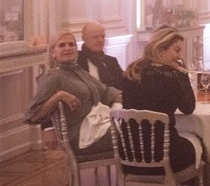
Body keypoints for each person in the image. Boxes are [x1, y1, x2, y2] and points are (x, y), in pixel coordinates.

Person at [24, 30, 122, 156]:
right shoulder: (53, 76)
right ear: (53, 52)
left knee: (137, 124)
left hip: (97, 126)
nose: (68, 48)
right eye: (62, 45)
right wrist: (59, 96)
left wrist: (129, 100)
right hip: (82, 136)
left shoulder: (78, 71)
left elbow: (105, 91)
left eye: (71, 44)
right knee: (133, 130)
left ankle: (134, 167)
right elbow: (32, 116)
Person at [120, 28, 200, 174]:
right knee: (200, 143)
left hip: (129, 154)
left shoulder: (131, 71)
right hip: (163, 156)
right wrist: (183, 74)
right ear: (161, 50)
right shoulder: (172, 77)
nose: (179, 56)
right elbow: (188, 108)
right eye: (176, 50)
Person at [77, 22, 124, 89]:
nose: (100, 40)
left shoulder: (111, 61)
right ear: (84, 38)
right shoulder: (77, 60)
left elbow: (123, 84)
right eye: (95, 37)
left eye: (103, 37)